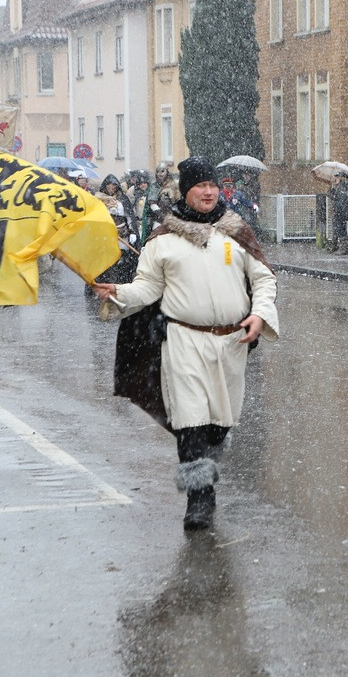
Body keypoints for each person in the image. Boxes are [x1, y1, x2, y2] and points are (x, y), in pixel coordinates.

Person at [93, 156, 279, 530]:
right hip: (183, 339)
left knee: (219, 424)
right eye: (200, 186)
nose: (208, 191)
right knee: (190, 419)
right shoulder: (163, 239)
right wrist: (117, 293)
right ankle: (200, 498)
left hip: (230, 343)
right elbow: (147, 288)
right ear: (185, 190)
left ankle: (208, 464)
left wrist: (260, 315)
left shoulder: (236, 231)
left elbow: (264, 280)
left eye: (211, 185)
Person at [95, 174, 140, 283]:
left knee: (124, 260)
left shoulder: (122, 199)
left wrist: (133, 232)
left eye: (114, 186)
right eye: (110, 185)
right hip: (105, 235)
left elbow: (129, 217)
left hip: (122, 234)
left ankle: (123, 281)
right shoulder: (99, 199)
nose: (112, 188)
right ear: (106, 186)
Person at [328, 174, 348, 255]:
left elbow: (341, 200)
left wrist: (337, 208)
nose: (334, 178)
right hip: (338, 211)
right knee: (336, 228)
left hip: (341, 212)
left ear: (339, 178)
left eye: (336, 176)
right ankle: (335, 246)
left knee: (341, 229)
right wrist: (330, 189)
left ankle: (344, 248)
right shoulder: (337, 187)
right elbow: (333, 197)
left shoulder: (343, 187)